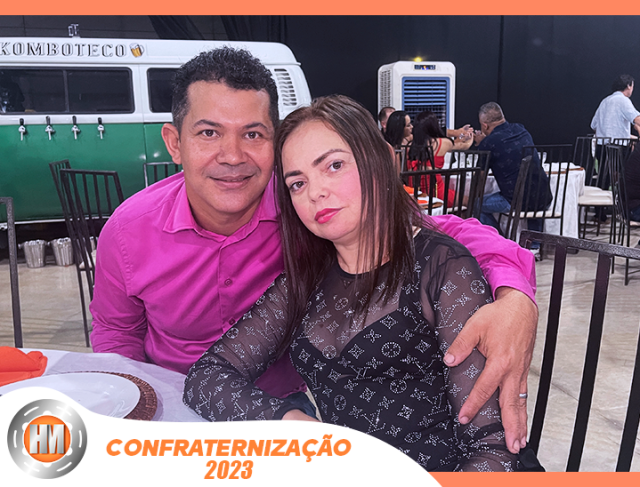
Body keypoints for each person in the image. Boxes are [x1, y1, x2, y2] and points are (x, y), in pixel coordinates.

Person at [91, 47, 537, 454]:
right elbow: (117, 335)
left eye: (253, 134)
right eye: (209, 132)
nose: (232, 155)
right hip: (174, 403)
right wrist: (136, 419)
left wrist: (515, 296)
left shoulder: (305, 211)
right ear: (175, 143)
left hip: (289, 407)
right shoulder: (129, 232)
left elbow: (432, 234)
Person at [184, 95, 521, 472]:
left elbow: (492, 449)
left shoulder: (442, 268)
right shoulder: (305, 279)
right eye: (297, 183)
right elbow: (206, 377)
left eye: (334, 165)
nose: (315, 192)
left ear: (377, 161)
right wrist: (291, 422)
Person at [474, 102, 552, 234]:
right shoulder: (520, 129)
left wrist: (482, 144)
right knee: (532, 190)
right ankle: (535, 242)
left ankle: (499, 239)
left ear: (484, 125)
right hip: (544, 197)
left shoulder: (488, 143)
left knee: (476, 204)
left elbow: (479, 179)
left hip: (517, 201)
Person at [407, 110, 473, 205]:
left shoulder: (410, 145)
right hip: (435, 192)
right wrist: (470, 137)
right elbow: (463, 146)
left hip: (415, 192)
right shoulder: (441, 143)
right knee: (468, 200)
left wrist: (461, 135)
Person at [591, 74, 640, 142]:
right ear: (628, 86)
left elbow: (593, 125)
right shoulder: (623, 100)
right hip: (617, 146)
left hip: (601, 146)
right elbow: (637, 119)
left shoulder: (604, 101)